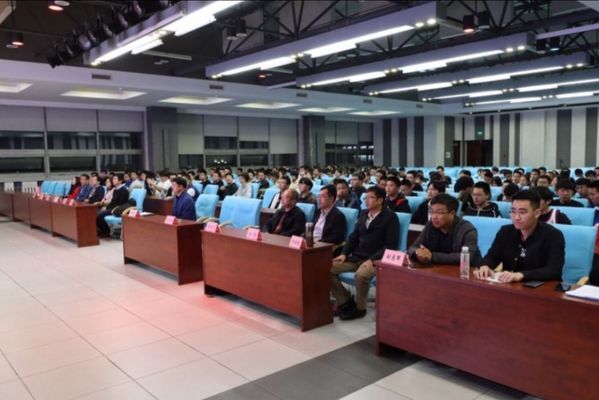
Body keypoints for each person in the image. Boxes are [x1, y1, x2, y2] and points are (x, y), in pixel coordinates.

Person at [331, 187, 399, 320]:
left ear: (380, 200)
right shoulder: (363, 214)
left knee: (361, 275)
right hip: (357, 257)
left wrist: (372, 260)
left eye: (370, 197)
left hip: (376, 260)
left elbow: (391, 245)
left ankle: (360, 308)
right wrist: (344, 253)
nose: (366, 201)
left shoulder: (390, 217)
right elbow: (353, 238)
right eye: (365, 198)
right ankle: (345, 301)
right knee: (326, 268)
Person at [474, 190, 565, 283]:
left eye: (522, 212)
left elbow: (554, 270)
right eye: (513, 211)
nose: (516, 217)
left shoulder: (553, 235)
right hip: (509, 285)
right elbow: (492, 257)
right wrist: (485, 266)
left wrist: (521, 275)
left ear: (537, 213)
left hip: (541, 287)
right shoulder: (505, 231)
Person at [409, 194, 480, 265]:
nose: (434, 217)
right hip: (437, 268)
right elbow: (413, 247)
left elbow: (468, 257)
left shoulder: (467, 230)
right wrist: (418, 253)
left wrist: (432, 256)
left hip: (465, 270)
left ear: (452, 213)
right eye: (432, 212)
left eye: (439, 212)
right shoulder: (430, 225)